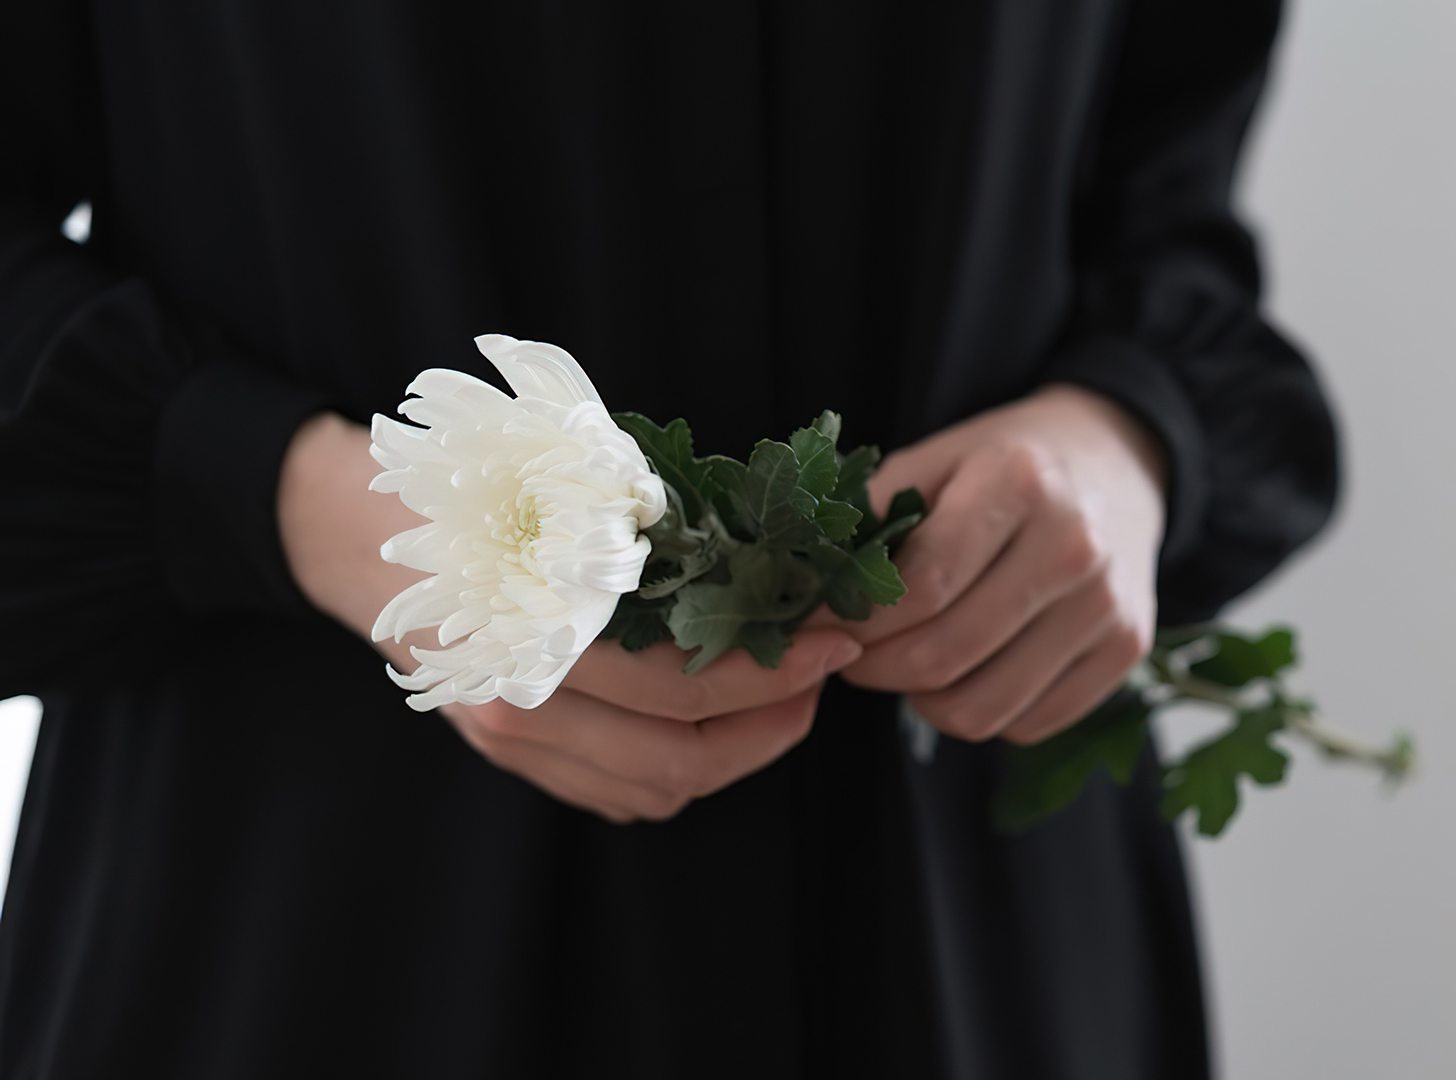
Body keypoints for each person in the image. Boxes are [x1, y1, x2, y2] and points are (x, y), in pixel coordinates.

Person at [0, 3, 1336, 1077]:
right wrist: (303, 499)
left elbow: (1164, 199)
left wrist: (1122, 440)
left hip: (968, 895)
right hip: (305, 905)